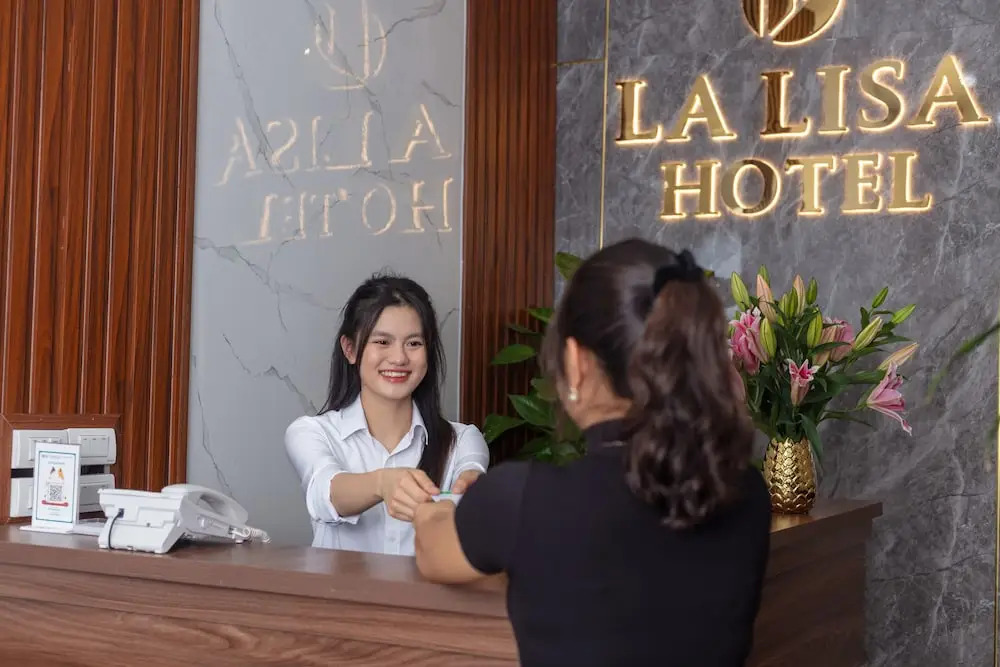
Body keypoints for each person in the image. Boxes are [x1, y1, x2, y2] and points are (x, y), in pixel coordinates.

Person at [413, 239, 771, 666]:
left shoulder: (526, 499)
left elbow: (432, 552)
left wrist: (436, 509)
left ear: (575, 360)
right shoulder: (748, 492)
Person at [285, 274, 489, 555]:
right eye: (382, 342)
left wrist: (471, 492)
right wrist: (383, 484)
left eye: (414, 343)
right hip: (338, 587)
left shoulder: (462, 440)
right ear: (350, 349)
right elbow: (326, 492)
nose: (399, 358)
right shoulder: (311, 432)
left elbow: (471, 474)